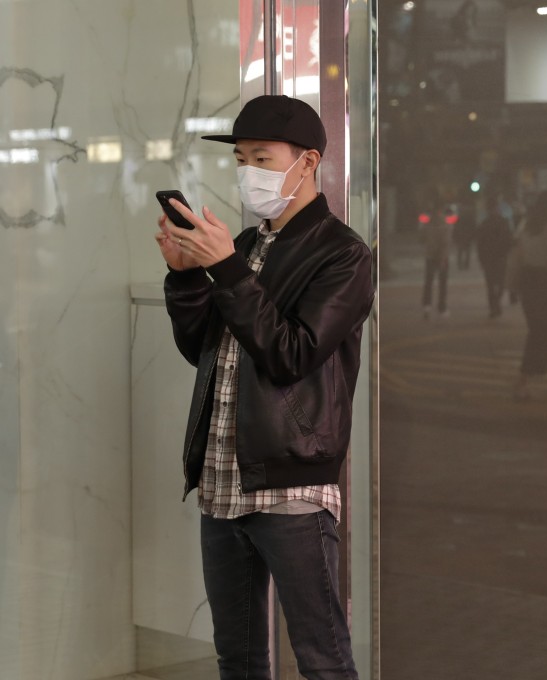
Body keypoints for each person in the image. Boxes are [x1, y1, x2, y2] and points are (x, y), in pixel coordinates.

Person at [156, 94, 373, 680]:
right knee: (240, 659)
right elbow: (206, 351)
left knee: (322, 659)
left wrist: (225, 269)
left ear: (308, 162)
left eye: (262, 157)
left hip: (291, 487)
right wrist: (185, 279)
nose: (248, 171)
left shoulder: (344, 254)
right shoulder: (249, 246)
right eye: (241, 159)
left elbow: (291, 354)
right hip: (223, 482)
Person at [511, 190, 547, 399]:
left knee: (539, 331)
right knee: (540, 333)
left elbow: (518, 257)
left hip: (528, 282)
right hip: (546, 283)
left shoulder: (526, 229)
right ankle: (522, 380)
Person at [475, 194, 515, 318]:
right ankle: (495, 305)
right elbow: (509, 239)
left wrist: (481, 258)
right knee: (499, 283)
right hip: (499, 257)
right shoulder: (502, 222)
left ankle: (494, 306)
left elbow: (480, 244)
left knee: (492, 284)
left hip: (491, 257)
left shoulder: (486, 224)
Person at [421, 203, 454, 319]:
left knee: (429, 281)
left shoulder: (428, 224)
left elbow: (422, 238)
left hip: (430, 256)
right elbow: (446, 243)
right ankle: (442, 307)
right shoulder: (445, 225)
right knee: (442, 283)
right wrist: (443, 257)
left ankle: (427, 305)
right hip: (441, 257)